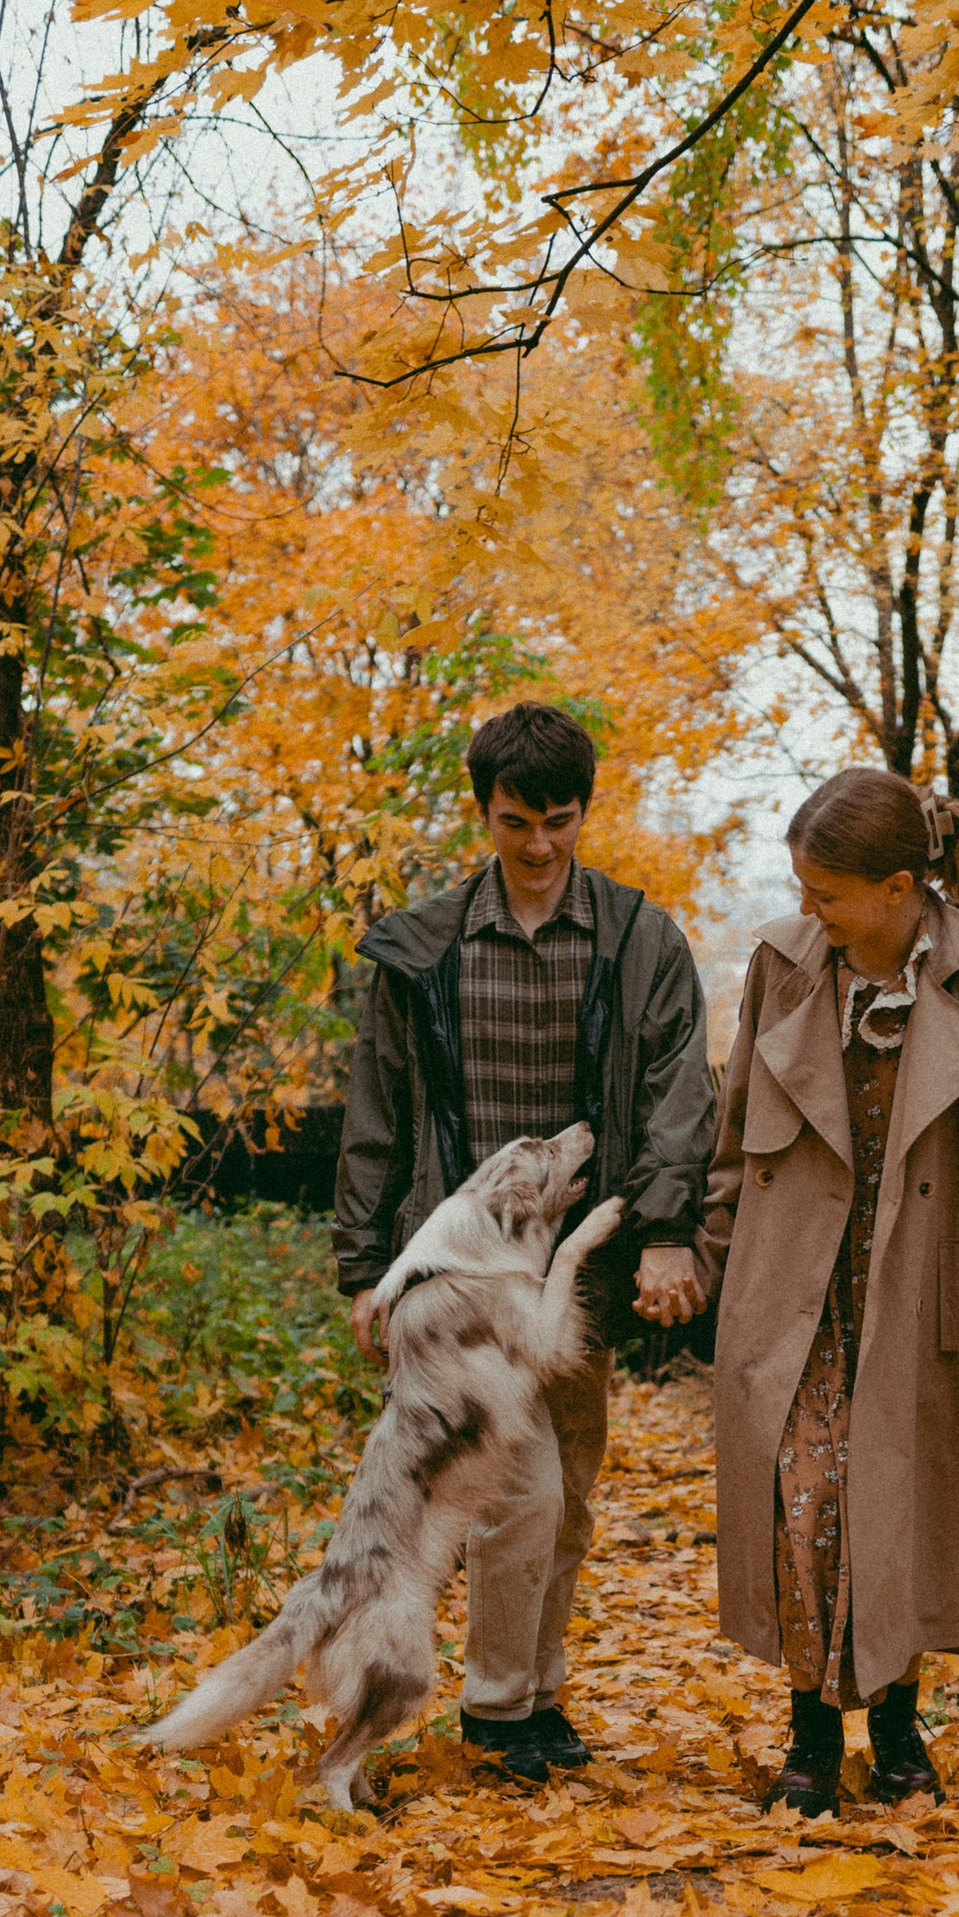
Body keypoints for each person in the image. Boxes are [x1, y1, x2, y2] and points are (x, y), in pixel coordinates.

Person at [332, 701, 713, 1781]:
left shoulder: (640, 941)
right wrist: (364, 1266)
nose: (539, 845)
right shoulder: (426, 948)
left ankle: (538, 1698)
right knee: (521, 1490)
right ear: (484, 814)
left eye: (559, 820)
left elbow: (681, 1093)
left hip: (580, 1269)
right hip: (460, 1279)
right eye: (515, 822)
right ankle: (499, 1712)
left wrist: (665, 1231)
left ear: (584, 810)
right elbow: (378, 1107)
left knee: (570, 1499)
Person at [684, 767, 959, 1814]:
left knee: (895, 1508)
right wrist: (707, 1260)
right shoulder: (782, 964)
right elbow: (734, 1126)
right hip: (790, 1289)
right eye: (802, 890)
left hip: (920, 1291)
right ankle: (810, 1732)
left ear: (898, 889)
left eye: (827, 894)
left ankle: (896, 1729)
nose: (810, 910)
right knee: (801, 1504)